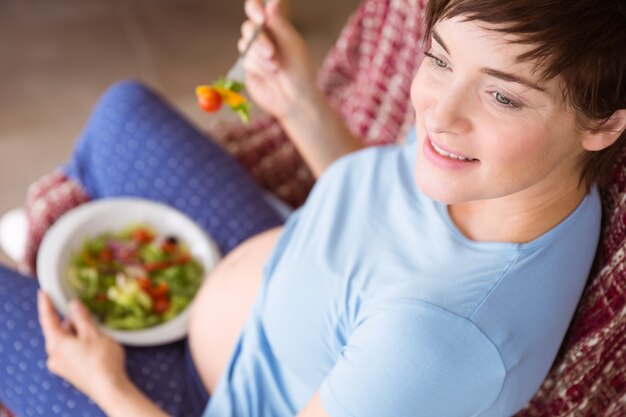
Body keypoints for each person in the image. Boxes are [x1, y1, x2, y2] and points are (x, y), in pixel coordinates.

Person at [1, 0, 626, 416]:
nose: (437, 111)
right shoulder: (513, 173)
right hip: (282, 266)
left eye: (501, 96)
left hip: (195, 397)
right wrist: (299, 104)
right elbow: (390, 212)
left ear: (604, 125)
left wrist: (105, 383)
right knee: (122, 111)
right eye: (438, 58)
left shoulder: (438, 341)